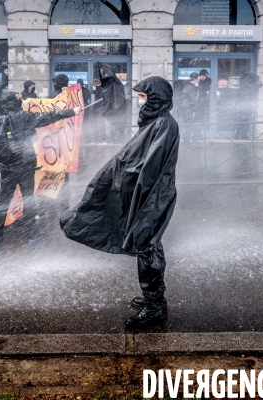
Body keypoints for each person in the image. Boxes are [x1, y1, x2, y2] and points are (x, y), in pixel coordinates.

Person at [60, 76, 179, 329]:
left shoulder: (164, 125)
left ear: (155, 98)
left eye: (144, 96)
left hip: (151, 197)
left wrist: (133, 193)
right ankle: (155, 298)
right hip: (146, 195)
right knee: (149, 246)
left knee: (147, 247)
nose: (140, 101)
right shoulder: (156, 122)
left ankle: (155, 307)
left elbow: (150, 167)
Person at [0, 92, 82, 246]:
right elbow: (48, 116)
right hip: (25, 166)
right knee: (28, 200)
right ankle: (32, 234)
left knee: (3, 201)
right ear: (16, 103)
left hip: (7, 168)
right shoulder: (25, 116)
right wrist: (71, 111)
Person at [235, 73, 263, 140]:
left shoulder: (244, 83)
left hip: (241, 105)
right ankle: (244, 135)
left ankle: (237, 135)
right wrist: (262, 83)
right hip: (247, 106)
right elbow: (254, 87)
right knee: (246, 121)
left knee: (240, 120)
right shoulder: (251, 84)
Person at [180, 72, 200, 145]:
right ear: (195, 79)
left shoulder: (187, 86)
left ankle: (186, 143)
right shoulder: (191, 88)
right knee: (188, 126)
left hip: (185, 108)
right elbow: (193, 101)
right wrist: (194, 110)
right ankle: (186, 144)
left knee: (187, 126)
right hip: (188, 109)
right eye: (198, 79)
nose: (199, 80)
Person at [198, 69, 212, 137]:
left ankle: (200, 133)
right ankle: (198, 133)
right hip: (197, 102)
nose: (202, 77)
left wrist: (200, 81)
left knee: (202, 118)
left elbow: (205, 87)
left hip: (203, 102)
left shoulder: (208, 80)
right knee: (198, 119)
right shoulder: (197, 81)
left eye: (203, 76)